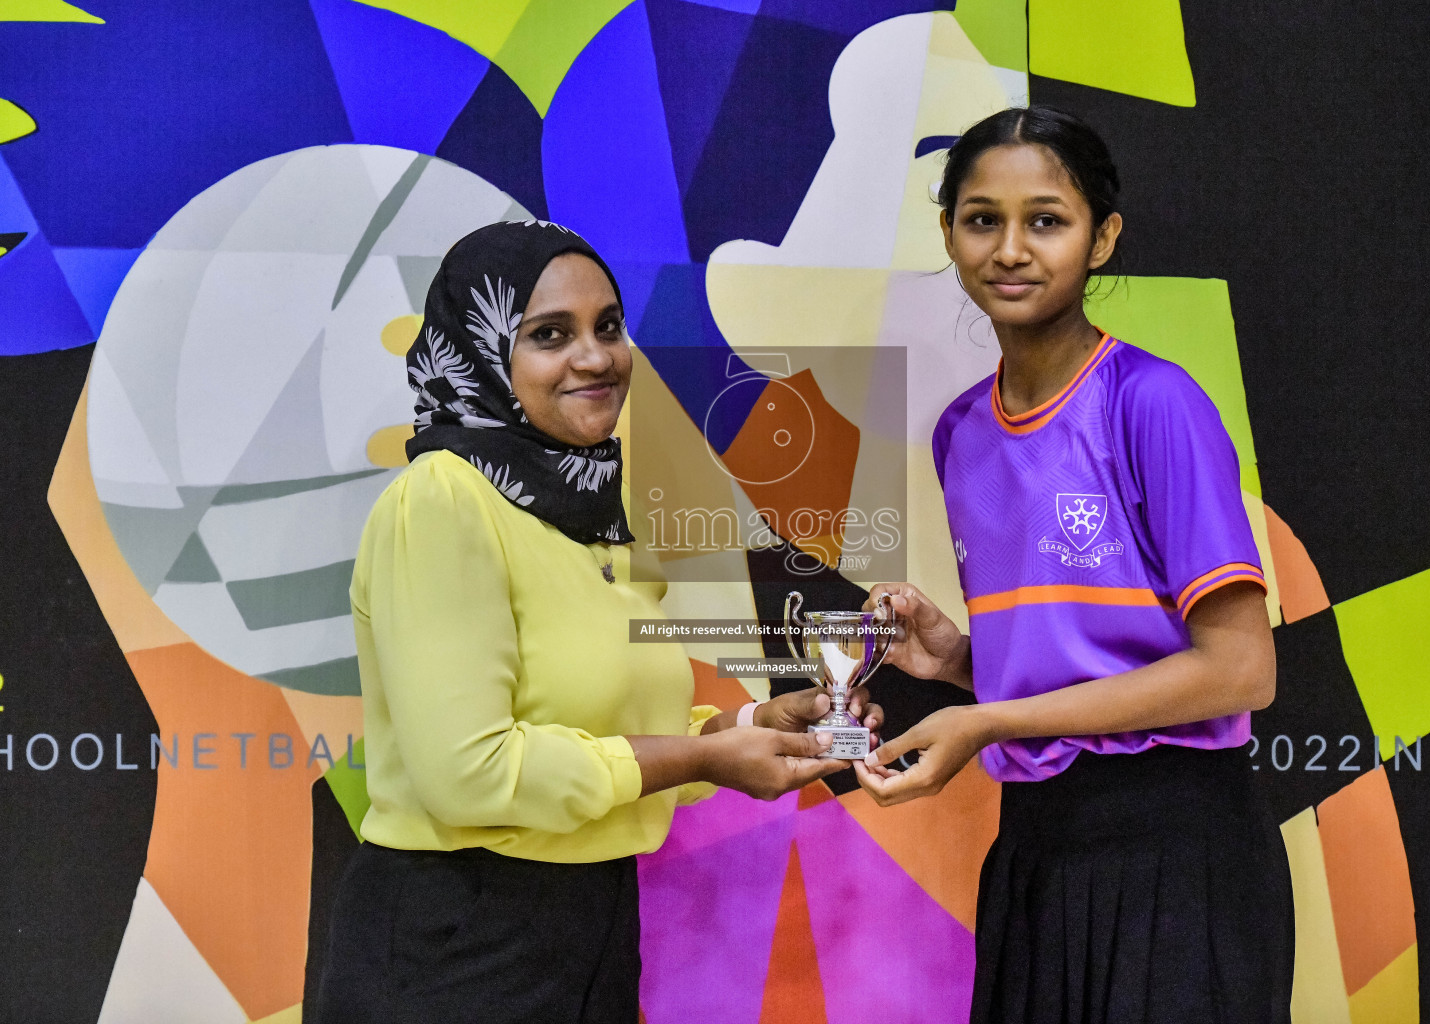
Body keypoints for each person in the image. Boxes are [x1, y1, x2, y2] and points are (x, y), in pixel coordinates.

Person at [314, 220, 881, 1023]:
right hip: (457, 944)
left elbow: (595, 723)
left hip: (593, 931)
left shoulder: (589, 508)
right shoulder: (444, 497)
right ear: (481, 354)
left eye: (608, 327)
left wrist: (749, 723)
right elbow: (469, 773)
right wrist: (705, 758)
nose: (596, 356)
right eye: (550, 335)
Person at [852, 108, 1294, 1023]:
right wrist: (961, 660)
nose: (1011, 249)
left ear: (1103, 239)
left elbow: (1240, 668)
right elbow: (1098, 657)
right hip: (1036, 850)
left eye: (1046, 219)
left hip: (1179, 848)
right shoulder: (961, 433)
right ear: (948, 234)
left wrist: (992, 718)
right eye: (982, 219)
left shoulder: (1154, 401)